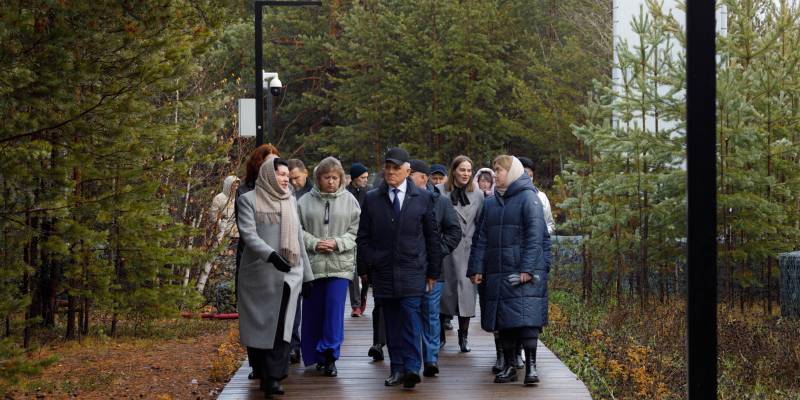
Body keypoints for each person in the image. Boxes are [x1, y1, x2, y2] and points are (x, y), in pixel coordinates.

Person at [356, 147, 442, 390]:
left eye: (396, 168)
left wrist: (433, 271)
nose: (391, 172)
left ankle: (412, 368)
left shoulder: (423, 198)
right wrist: (373, 260)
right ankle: (397, 369)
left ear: (408, 170)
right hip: (384, 272)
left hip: (413, 269)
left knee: (411, 319)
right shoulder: (373, 198)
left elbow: (432, 237)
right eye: (388, 167)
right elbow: (362, 238)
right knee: (392, 322)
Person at [467, 155, 551, 386]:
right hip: (497, 271)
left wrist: (527, 268)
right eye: (494, 170)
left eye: (499, 170)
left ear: (512, 172)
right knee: (504, 322)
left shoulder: (528, 199)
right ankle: (510, 366)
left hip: (524, 273)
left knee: (527, 321)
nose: (495, 174)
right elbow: (481, 238)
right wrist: (477, 267)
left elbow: (535, 238)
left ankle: (531, 367)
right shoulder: (491, 203)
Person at [236, 156, 314, 397]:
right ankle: (261, 370)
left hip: (290, 276)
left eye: (286, 174)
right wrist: (270, 256)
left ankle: (274, 377)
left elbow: (299, 237)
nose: (284, 178)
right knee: (261, 326)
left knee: (283, 327)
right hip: (259, 277)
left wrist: (308, 276)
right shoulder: (248, 200)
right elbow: (248, 234)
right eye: (279, 174)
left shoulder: (290, 200)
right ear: (268, 175)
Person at [297, 157, 361, 377]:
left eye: (335, 177)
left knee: (334, 313)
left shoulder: (350, 200)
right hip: (312, 265)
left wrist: (337, 243)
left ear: (341, 178)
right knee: (313, 312)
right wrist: (314, 243)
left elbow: (355, 231)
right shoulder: (304, 201)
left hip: (339, 265)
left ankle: (330, 356)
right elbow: (298, 229)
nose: (331, 182)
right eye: (327, 177)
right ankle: (314, 355)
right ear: (318, 178)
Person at [409, 159, 462, 378]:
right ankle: (410, 360)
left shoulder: (440, 202)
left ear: (423, 177)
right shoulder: (400, 201)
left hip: (433, 269)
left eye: (412, 174)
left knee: (431, 313)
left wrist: (436, 250)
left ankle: (430, 359)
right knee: (409, 314)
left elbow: (454, 232)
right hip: (406, 269)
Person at [234, 144, 281, 380]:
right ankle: (257, 363)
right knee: (253, 313)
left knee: (275, 311)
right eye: (268, 162)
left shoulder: (284, 193)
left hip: (278, 262)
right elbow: (246, 233)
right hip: (252, 258)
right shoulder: (244, 193)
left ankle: (275, 364)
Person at [437, 155, 483, 353]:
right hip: (446, 251)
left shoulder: (479, 195)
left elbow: (480, 224)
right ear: (454, 170)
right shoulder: (440, 192)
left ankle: (463, 337)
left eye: (469, 170)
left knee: (466, 295)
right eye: (462, 169)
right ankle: (439, 337)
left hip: (467, 250)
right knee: (443, 294)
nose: (466, 174)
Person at [346, 162, 370, 317]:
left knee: (365, 272)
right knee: (353, 271)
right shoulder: (345, 193)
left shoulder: (369, 193)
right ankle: (355, 305)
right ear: (354, 178)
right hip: (350, 236)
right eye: (363, 177)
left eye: (367, 177)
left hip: (366, 237)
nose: (365, 180)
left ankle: (363, 299)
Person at [518, 156, 555, 235]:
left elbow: (550, 224)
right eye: (525, 175)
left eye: (531, 176)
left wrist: (542, 235)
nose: (529, 179)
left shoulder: (542, 197)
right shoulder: (509, 197)